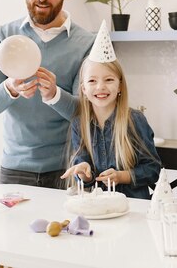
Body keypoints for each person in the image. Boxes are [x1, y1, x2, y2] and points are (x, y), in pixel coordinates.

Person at [0, 0, 95, 188]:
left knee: (63, 227)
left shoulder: (86, 43)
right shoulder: (3, 37)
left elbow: (86, 114)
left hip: (66, 171)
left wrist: (54, 95)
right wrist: (9, 87)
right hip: (14, 172)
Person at [60, 25, 161, 198]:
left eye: (108, 79)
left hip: (133, 208)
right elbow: (84, 171)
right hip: (99, 206)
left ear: (120, 85)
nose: (100, 87)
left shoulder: (134, 120)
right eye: (92, 81)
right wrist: (85, 173)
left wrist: (122, 176)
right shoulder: (79, 124)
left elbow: (153, 169)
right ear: (83, 89)